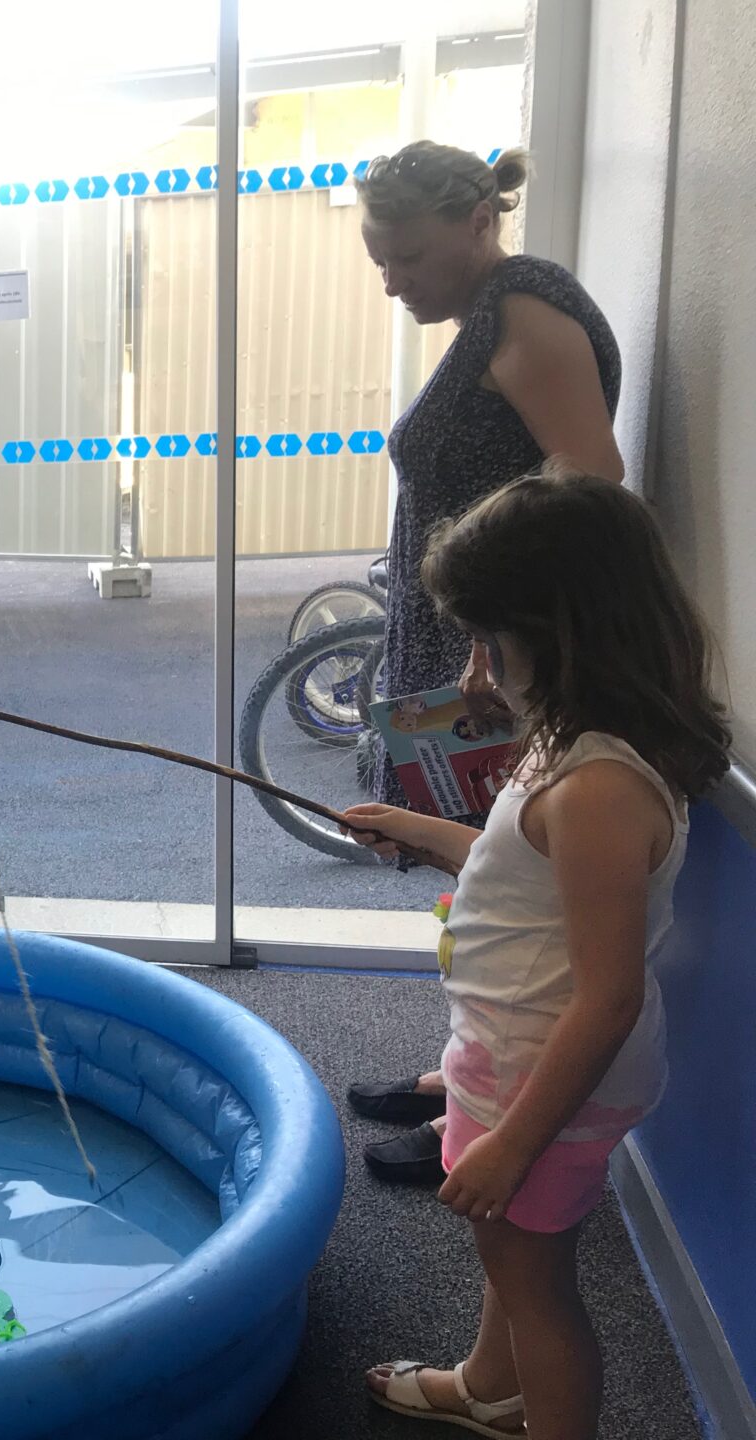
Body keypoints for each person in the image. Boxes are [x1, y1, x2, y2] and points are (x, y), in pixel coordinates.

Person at [346, 468, 727, 1440]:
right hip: (515, 1059)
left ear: (553, 634)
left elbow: (604, 1000)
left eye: (487, 640)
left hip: (542, 1085)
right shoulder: (578, 740)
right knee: (510, 1254)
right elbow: (531, 887)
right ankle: (487, 1385)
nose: (475, 669)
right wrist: (418, 829)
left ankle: (537, 1410)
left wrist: (514, 1142)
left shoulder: (600, 786)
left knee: (540, 1291)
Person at [346, 142, 626, 1185]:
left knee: (511, 898)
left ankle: (491, 1107)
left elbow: (588, 483)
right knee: (481, 879)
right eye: (381, 260)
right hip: (483, 645)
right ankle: (462, 1073)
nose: (393, 282)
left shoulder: (527, 314)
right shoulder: (490, 317)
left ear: (477, 223)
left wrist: (491, 638)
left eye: (409, 257)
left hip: (505, 655)